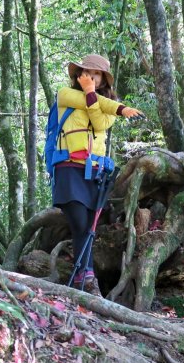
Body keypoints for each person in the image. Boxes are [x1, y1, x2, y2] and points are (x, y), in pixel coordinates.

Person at [52, 54, 143, 295]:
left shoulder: (106, 107)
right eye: (87, 71)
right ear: (78, 75)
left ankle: (85, 275)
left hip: (94, 171)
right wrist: (115, 105)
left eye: (97, 73)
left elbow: (100, 123)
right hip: (68, 167)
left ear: (104, 79)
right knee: (79, 221)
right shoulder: (65, 94)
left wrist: (115, 106)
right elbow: (93, 105)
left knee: (90, 226)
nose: (91, 76)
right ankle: (85, 273)